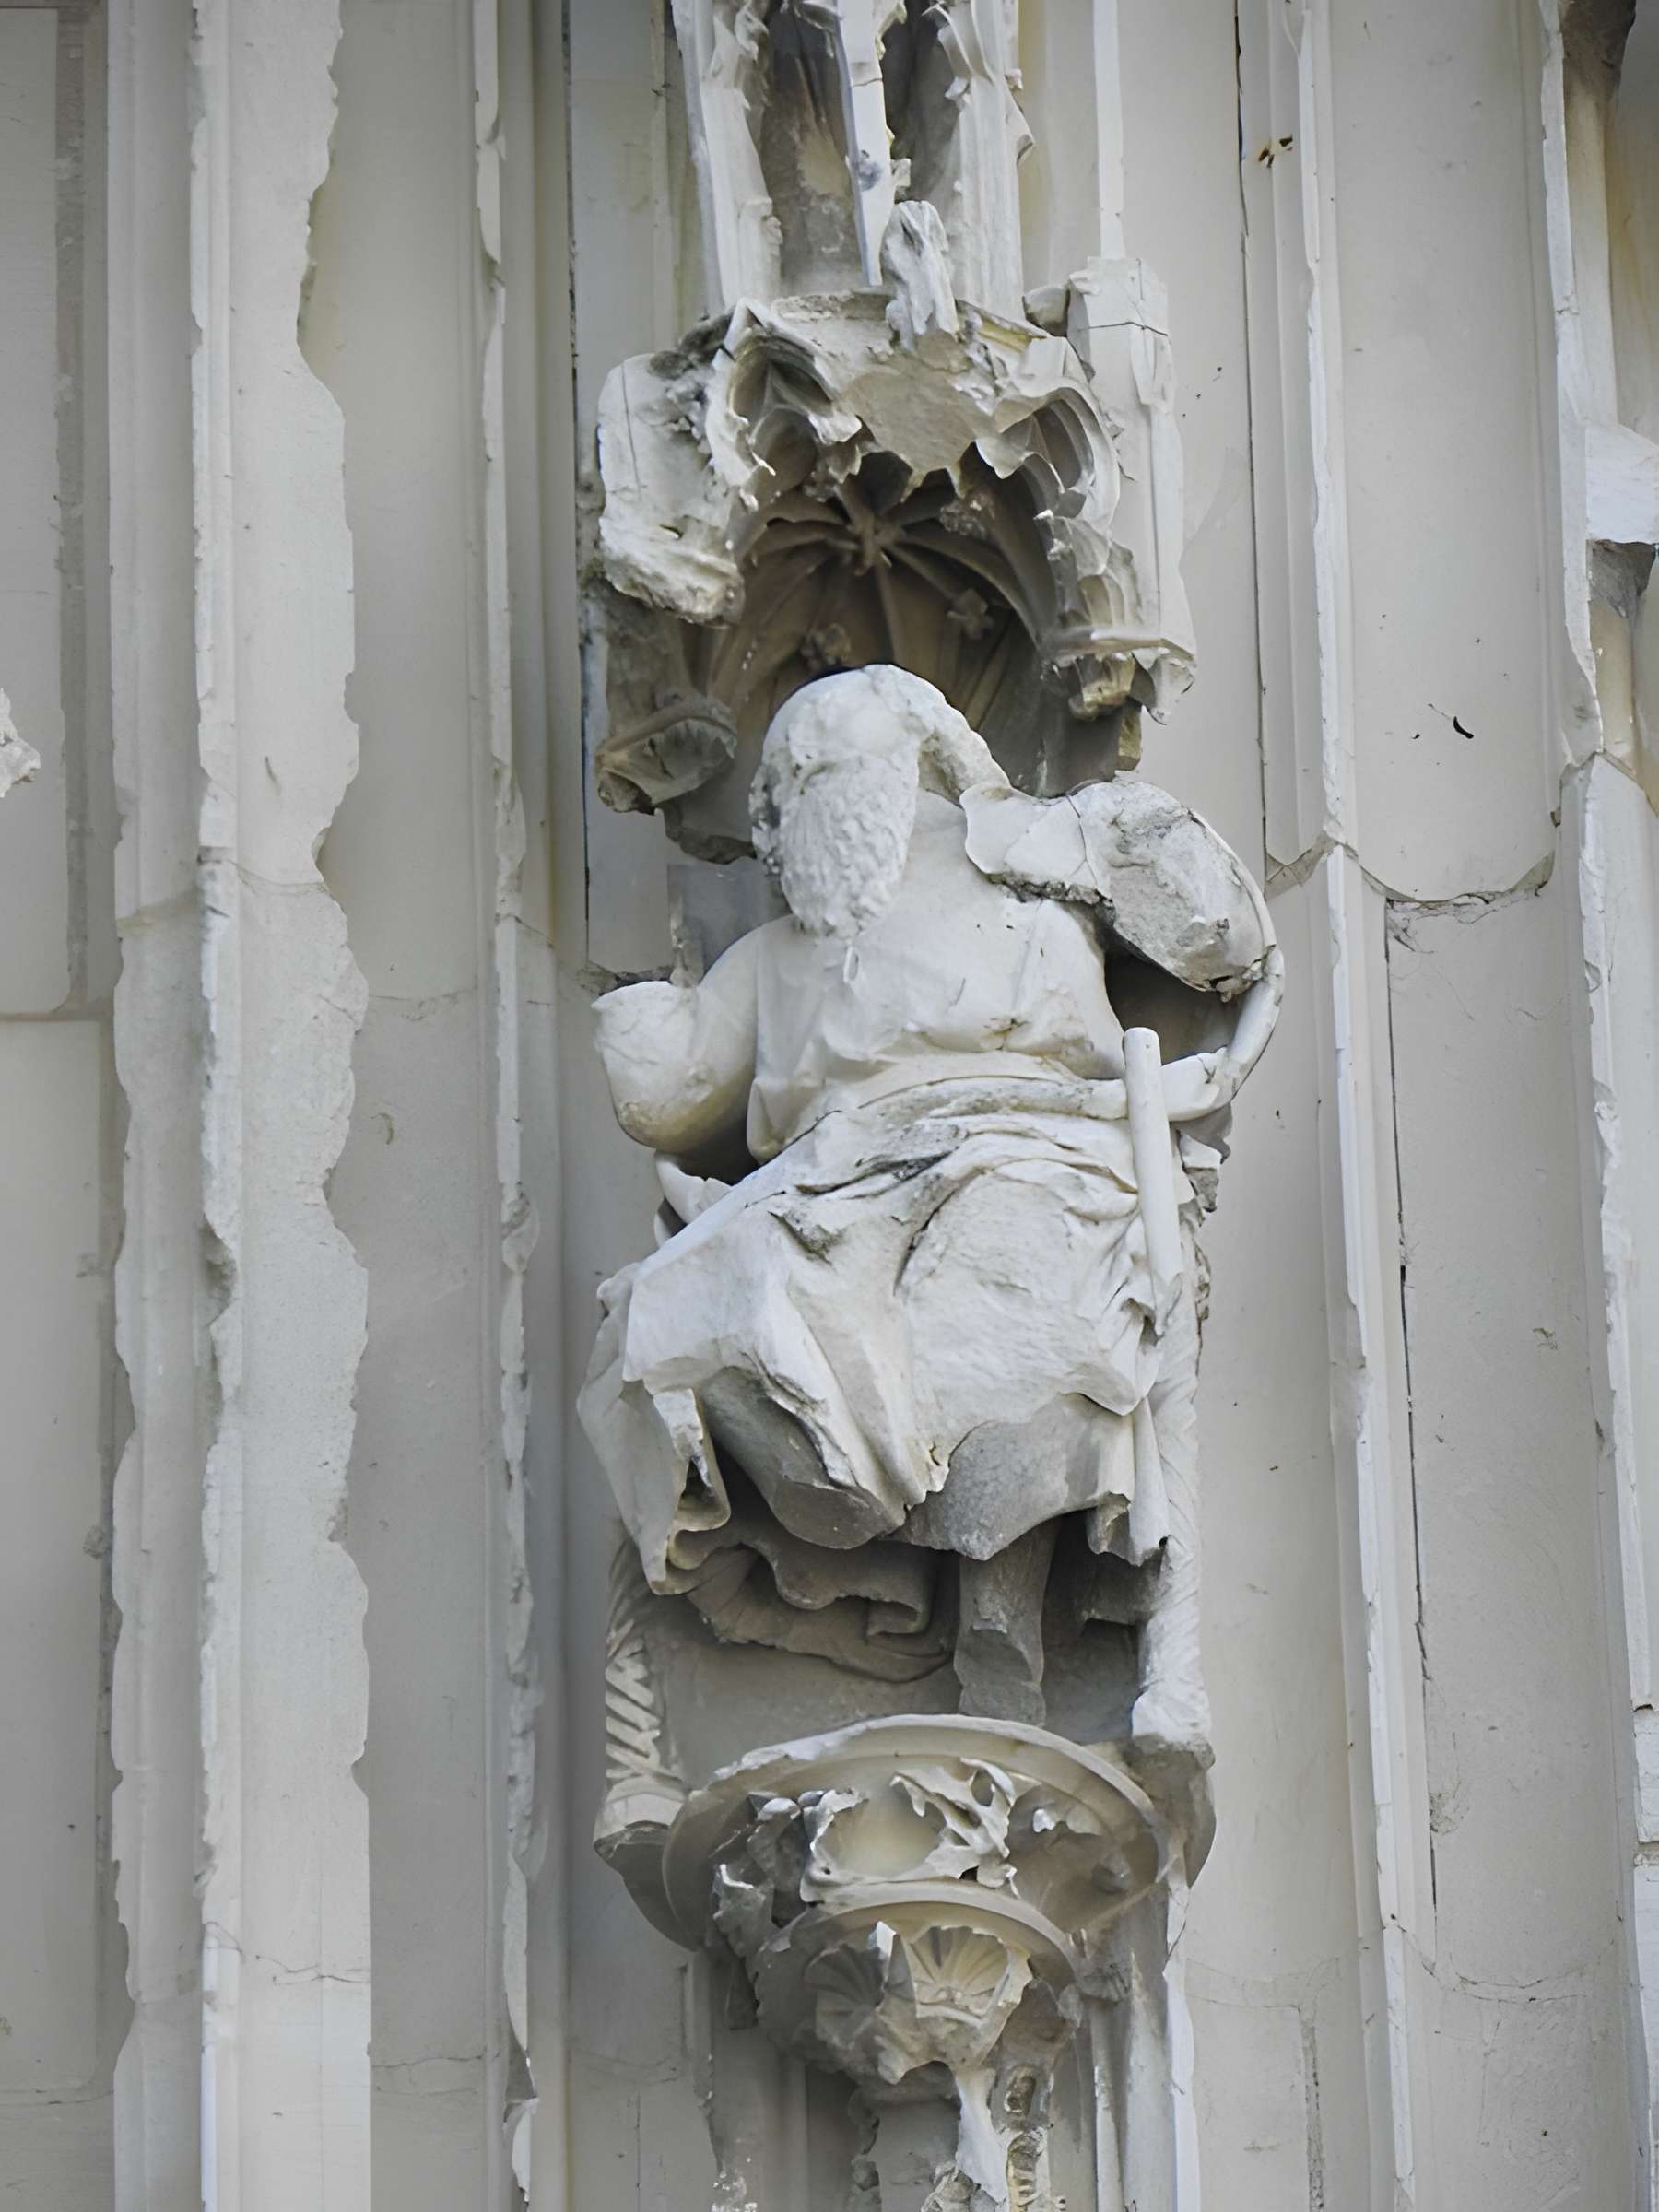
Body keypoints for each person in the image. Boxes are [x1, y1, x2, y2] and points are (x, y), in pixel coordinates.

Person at [580, 665, 1279, 1740]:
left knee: (1009, 1279)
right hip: (830, 1197)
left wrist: (1106, 841)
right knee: (670, 1317)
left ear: (910, 761)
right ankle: (823, 1548)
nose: (787, 809)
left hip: (1028, 1153)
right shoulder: (776, 956)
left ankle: (998, 1608)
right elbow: (676, 1087)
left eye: (816, 772)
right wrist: (635, 1033)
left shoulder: (1034, 866)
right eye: (779, 792)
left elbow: (1224, 942)